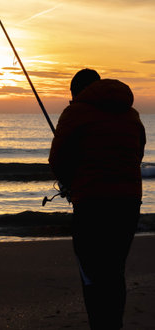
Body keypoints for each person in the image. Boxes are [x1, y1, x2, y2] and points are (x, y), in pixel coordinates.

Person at [48, 68, 146, 330]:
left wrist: (71, 183)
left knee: (91, 273)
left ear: (77, 92)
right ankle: (113, 324)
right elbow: (137, 155)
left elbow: (57, 161)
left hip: (92, 204)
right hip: (128, 204)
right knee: (114, 270)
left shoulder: (75, 113)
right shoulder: (132, 115)